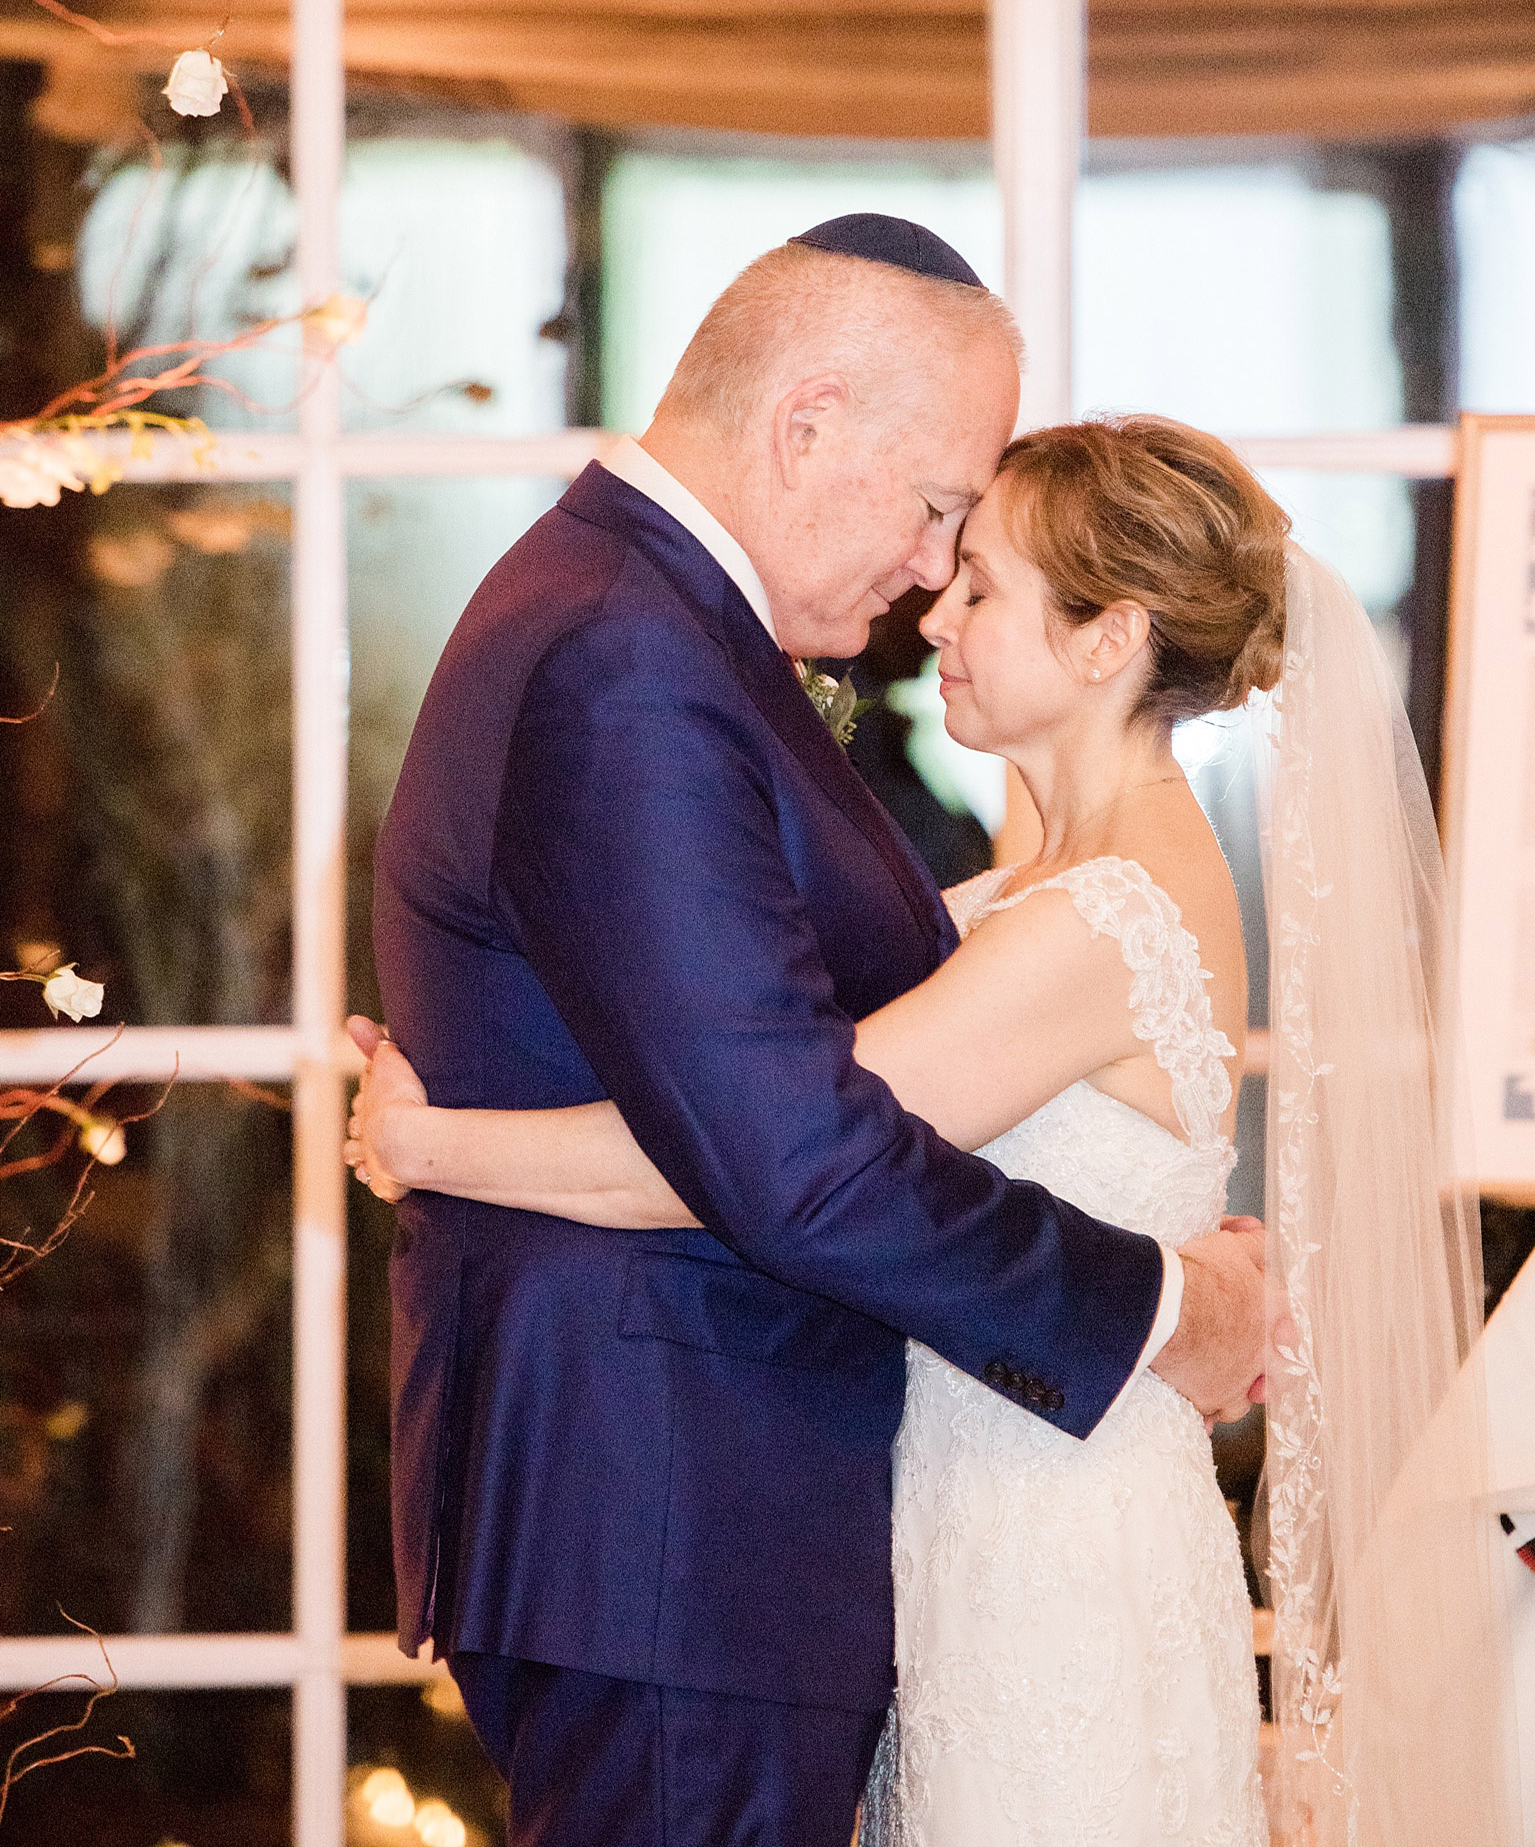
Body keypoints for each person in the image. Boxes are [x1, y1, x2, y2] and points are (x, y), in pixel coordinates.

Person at [365, 215, 1271, 1847]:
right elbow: (793, 1147)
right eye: (939, 511)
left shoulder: (642, 624)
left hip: (752, 1532)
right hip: (676, 1520)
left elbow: (784, 1118)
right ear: (804, 426)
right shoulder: (630, 649)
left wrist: (440, 1144)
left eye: (972, 554)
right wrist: (1154, 1308)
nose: (932, 575)